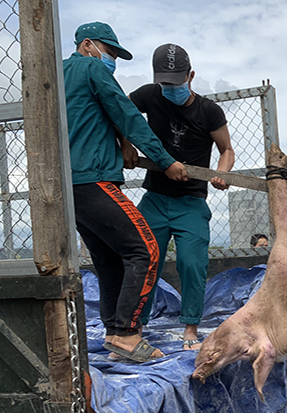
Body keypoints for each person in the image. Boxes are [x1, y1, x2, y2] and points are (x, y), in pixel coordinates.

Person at [64, 22, 188, 362]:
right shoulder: (90, 67)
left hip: (66, 185)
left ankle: (113, 335)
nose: (112, 59)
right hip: (94, 178)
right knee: (144, 250)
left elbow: (100, 118)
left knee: (108, 261)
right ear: (87, 45)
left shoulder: (58, 76)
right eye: (109, 51)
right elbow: (127, 113)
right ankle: (128, 335)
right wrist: (165, 161)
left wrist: (122, 143)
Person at [122, 44, 235, 350]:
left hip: (191, 202)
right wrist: (125, 145)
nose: (170, 89)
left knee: (191, 262)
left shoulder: (209, 111)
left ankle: (190, 329)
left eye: (176, 82)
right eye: (165, 83)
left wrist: (221, 174)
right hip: (155, 198)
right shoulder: (149, 95)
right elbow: (120, 112)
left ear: (191, 76)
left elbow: (226, 150)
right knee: (143, 260)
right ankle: (134, 327)